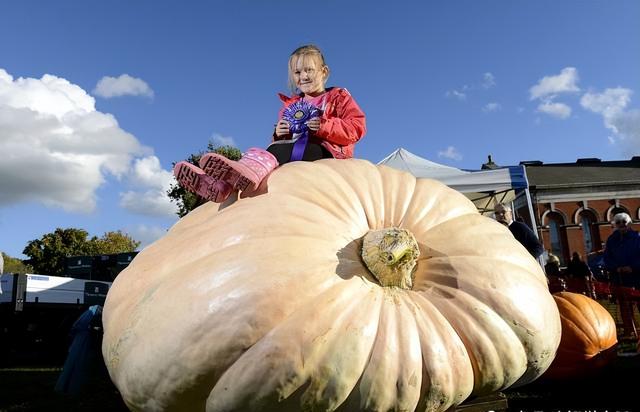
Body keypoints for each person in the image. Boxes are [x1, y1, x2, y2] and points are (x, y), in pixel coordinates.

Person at [173, 44, 366, 203]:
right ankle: (222, 185)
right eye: (297, 72)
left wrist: (325, 126)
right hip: (292, 153)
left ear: (323, 72)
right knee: (272, 149)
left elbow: (357, 127)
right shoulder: (292, 105)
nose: (303, 76)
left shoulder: (338, 97)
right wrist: (280, 133)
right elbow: (284, 140)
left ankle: (240, 177)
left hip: (326, 153)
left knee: (277, 151)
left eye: (309, 70)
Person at [603, 212, 640, 339]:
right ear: (615, 225)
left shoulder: (637, 238)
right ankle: (630, 330)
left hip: (637, 277)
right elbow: (607, 258)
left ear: (629, 223)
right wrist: (616, 267)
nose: (621, 224)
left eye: (624, 222)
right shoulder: (611, 240)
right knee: (624, 306)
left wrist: (633, 267)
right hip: (619, 278)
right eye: (618, 222)